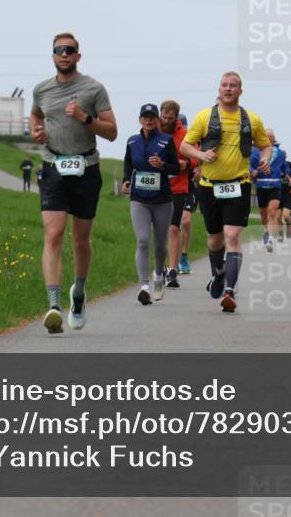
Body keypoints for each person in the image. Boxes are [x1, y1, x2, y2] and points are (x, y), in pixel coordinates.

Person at [30, 32, 117, 333]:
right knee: (53, 234)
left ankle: (78, 293)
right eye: (58, 50)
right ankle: (53, 305)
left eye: (69, 50)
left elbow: (112, 132)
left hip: (86, 168)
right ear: (52, 56)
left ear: (78, 55)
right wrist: (37, 132)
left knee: (80, 240)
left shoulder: (94, 89)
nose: (64, 54)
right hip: (53, 166)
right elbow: (35, 116)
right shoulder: (41, 90)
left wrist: (85, 118)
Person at [180, 72, 271, 313]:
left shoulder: (251, 118)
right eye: (224, 85)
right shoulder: (204, 117)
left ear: (241, 91)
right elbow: (185, 146)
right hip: (210, 186)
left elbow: (265, 145)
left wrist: (265, 159)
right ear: (218, 89)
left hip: (239, 184)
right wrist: (201, 156)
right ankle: (218, 274)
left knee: (232, 236)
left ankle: (230, 291)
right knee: (215, 239)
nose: (228, 89)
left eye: (233, 86)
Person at [122, 103, 180, 304]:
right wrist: (126, 179)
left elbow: (176, 168)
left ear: (158, 120)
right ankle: (144, 285)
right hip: (139, 199)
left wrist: (163, 165)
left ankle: (158, 275)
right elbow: (128, 162)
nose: (148, 120)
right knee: (143, 240)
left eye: (152, 117)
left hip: (162, 200)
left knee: (160, 245)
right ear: (140, 119)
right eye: (145, 116)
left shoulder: (166, 140)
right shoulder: (132, 141)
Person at [159, 100, 195, 288]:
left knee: (174, 228)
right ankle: (161, 266)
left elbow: (196, 158)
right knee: (160, 231)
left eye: (170, 118)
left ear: (176, 117)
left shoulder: (185, 135)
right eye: (164, 117)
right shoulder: (154, 130)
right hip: (156, 186)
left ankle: (172, 270)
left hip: (178, 187)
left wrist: (187, 164)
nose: (166, 120)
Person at [250, 129, 286, 252]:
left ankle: (270, 239)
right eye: (267, 136)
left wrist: (287, 175)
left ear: (274, 138)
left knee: (272, 212)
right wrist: (252, 172)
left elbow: (284, 166)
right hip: (261, 186)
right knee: (264, 217)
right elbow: (250, 166)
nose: (269, 137)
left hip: (275, 185)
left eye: (271, 136)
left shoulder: (280, 153)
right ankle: (266, 230)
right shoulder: (256, 153)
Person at [177, 113, 195, 275]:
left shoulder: (191, 140)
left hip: (188, 186)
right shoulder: (165, 140)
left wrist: (195, 167)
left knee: (186, 220)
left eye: (183, 125)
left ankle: (184, 255)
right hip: (167, 187)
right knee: (169, 225)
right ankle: (170, 259)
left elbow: (199, 159)